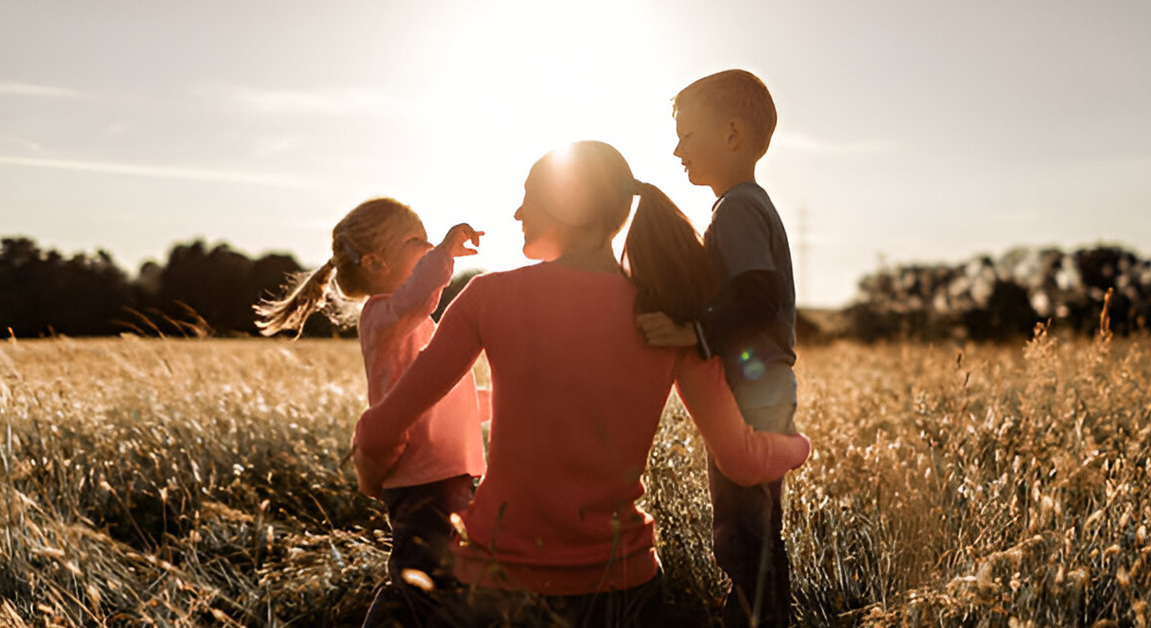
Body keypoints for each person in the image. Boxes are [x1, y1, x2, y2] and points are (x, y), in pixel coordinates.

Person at [355, 141, 811, 627]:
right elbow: (741, 461)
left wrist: (371, 478)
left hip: (496, 587)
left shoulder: (487, 298)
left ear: (568, 202)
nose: (516, 211)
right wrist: (798, 447)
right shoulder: (666, 318)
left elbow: (381, 430)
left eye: (528, 196)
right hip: (623, 590)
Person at [254, 198, 487, 628]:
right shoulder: (383, 316)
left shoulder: (411, 322)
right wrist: (446, 253)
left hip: (445, 475)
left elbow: (449, 396)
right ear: (378, 264)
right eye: (417, 241)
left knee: (437, 583)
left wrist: (503, 399)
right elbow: (418, 296)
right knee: (423, 584)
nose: (429, 245)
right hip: (421, 479)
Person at [636, 69, 798, 628]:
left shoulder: (738, 210)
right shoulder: (744, 205)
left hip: (754, 386)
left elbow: (759, 296)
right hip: (762, 383)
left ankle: (755, 620)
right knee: (755, 528)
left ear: (731, 134)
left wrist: (693, 334)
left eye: (687, 135)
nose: (676, 149)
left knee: (742, 531)